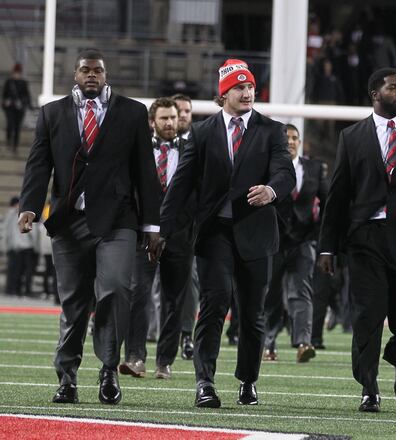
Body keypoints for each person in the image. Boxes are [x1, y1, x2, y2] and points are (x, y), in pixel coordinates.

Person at [17, 48, 161, 405]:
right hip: (68, 222)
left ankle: (109, 369)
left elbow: (146, 171)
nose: (92, 75)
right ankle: (67, 377)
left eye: (98, 70)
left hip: (118, 222)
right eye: (86, 70)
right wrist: (30, 208)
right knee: (73, 304)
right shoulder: (52, 113)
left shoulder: (132, 112)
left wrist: (153, 225)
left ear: (106, 74)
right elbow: (39, 165)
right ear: (76, 74)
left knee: (114, 290)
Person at [155, 58, 294, 408]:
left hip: (256, 233)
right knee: (214, 303)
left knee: (251, 312)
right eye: (239, 88)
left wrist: (272, 191)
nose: (247, 92)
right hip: (215, 232)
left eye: (250, 87)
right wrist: (162, 230)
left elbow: (285, 173)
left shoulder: (271, 130)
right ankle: (205, 382)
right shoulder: (201, 133)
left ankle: (248, 380)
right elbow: (181, 185)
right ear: (223, 95)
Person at [317, 67, 396, 413]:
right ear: (375, 94)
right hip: (365, 240)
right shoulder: (352, 137)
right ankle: (368, 387)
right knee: (367, 316)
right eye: (393, 87)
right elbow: (339, 194)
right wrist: (327, 246)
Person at [119, 97, 195, 381]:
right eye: (163, 118)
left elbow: (197, 192)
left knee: (175, 300)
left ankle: (165, 361)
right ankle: (135, 357)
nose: (169, 123)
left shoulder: (192, 149)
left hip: (181, 235)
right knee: (138, 294)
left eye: (173, 118)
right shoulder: (138, 151)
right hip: (145, 235)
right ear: (152, 122)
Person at [261, 123, 328, 362]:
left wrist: (320, 237)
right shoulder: (267, 166)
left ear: (300, 142)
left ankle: (303, 342)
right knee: (271, 294)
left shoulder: (315, 167)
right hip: (273, 240)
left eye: (294, 137)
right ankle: (268, 344)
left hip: (303, 240)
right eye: (286, 137)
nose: (290, 141)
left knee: (301, 291)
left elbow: (327, 202)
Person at [171, 92, 197, 361]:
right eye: (178, 111)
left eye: (187, 111)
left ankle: (187, 334)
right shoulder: (150, 144)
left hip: (190, 225)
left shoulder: (200, 141)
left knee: (190, 282)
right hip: (157, 224)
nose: (182, 115)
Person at [3, 196, 38, 296]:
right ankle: (24, 291)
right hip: (24, 247)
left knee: (18, 271)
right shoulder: (23, 214)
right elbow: (32, 232)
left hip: (18, 247)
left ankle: (16, 290)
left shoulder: (11, 214)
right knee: (25, 271)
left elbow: (7, 231)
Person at [2, 63, 31, 154]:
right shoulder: (9, 82)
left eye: (18, 73)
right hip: (10, 107)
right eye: (15, 73)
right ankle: (9, 143)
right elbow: (4, 95)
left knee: (17, 127)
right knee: (10, 125)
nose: (16, 75)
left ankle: (15, 146)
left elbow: (27, 96)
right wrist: (6, 101)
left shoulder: (23, 83)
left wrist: (26, 104)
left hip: (19, 108)